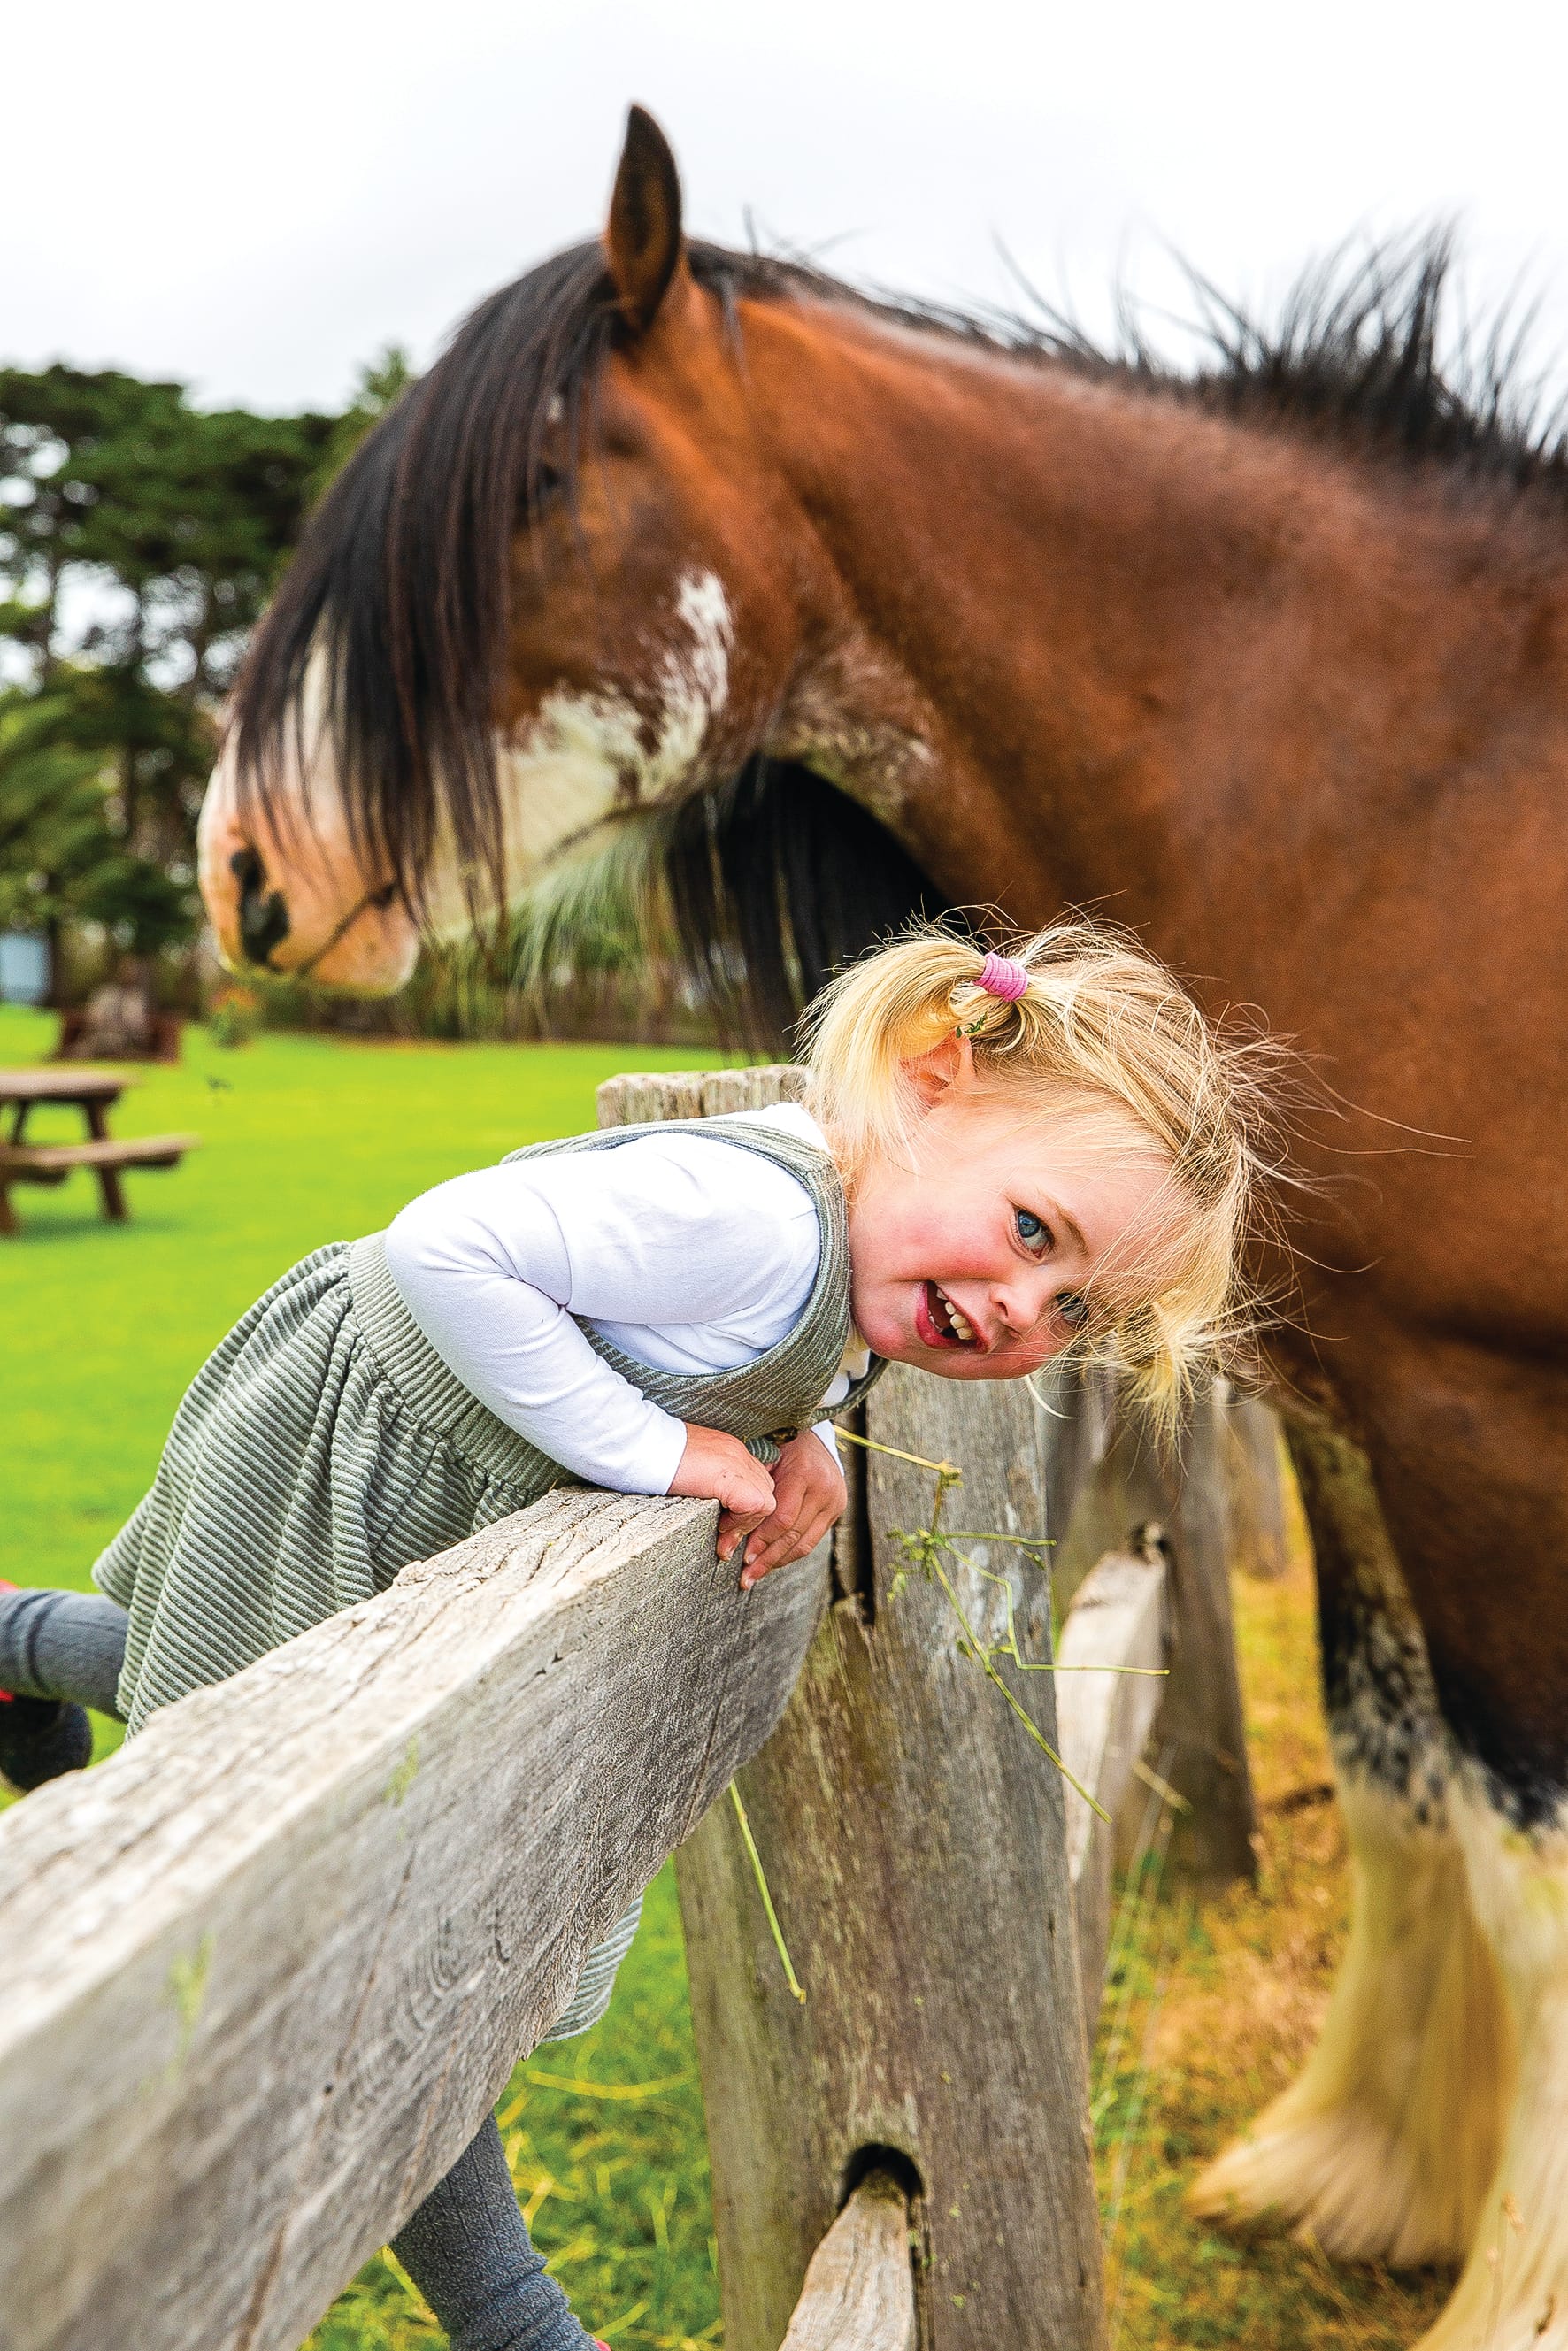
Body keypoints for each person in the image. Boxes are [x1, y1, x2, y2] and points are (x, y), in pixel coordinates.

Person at [0, 920, 1272, 2351]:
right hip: (361, 1440)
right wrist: (661, 1449)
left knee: (240, 1678)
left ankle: (19, 1646)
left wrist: (807, 1440)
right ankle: (515, 2320)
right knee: (390, 1919)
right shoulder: (760, 1216)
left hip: (422, 1473)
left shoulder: (855, 1239)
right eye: (1035, 1233)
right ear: (930, 1077)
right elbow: (443, 1248)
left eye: (1074, 1308)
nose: (1019, 1310)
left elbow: (755, 1353)